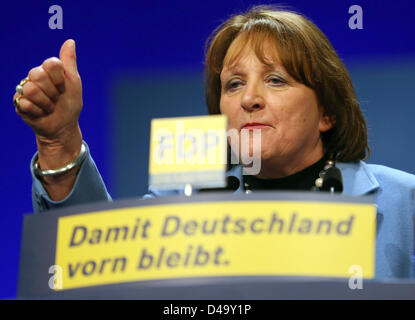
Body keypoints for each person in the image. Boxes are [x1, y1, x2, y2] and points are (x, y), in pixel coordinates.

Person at [14, 5, 415, 279]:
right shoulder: (183, 202)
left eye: (275, 80)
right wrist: (59, 139)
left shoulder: (404, 204)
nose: (249, 99)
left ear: (326, 113)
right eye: (234, 84)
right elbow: (93, 276)